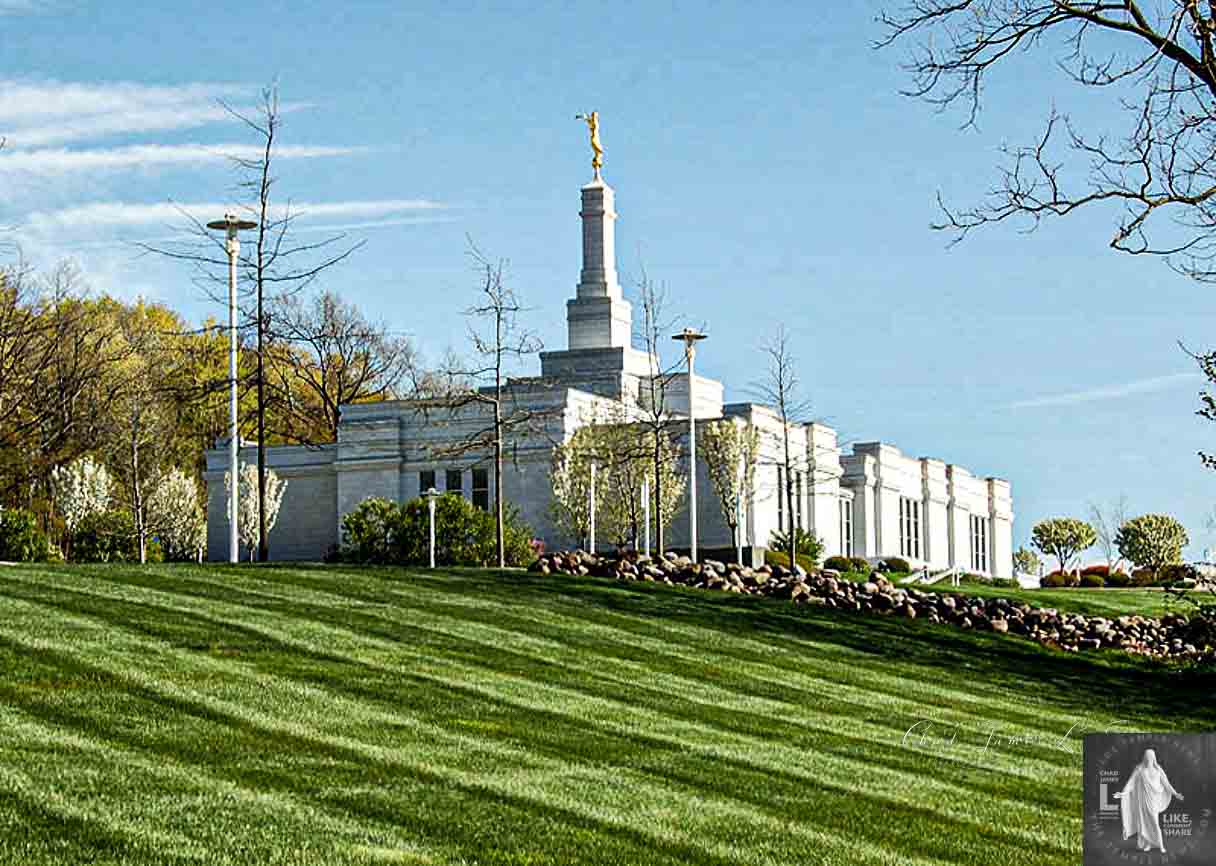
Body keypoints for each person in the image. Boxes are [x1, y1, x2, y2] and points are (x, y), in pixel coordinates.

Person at [1114, 748, 1184, 853]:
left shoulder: (1158, 770)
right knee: (1145, 823)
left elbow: (1166, 784)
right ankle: (1148, 844)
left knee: (1155, 823)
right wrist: (1123, 793)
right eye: (1146, 756)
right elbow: (1131, 783)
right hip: (1143, 801)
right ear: (1144, 757)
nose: (1148, 758)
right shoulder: (1139, 770)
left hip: (1154, 801)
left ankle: (1161, 845)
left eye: (1150, 756)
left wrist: (1175, 793)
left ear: (1153, 758)